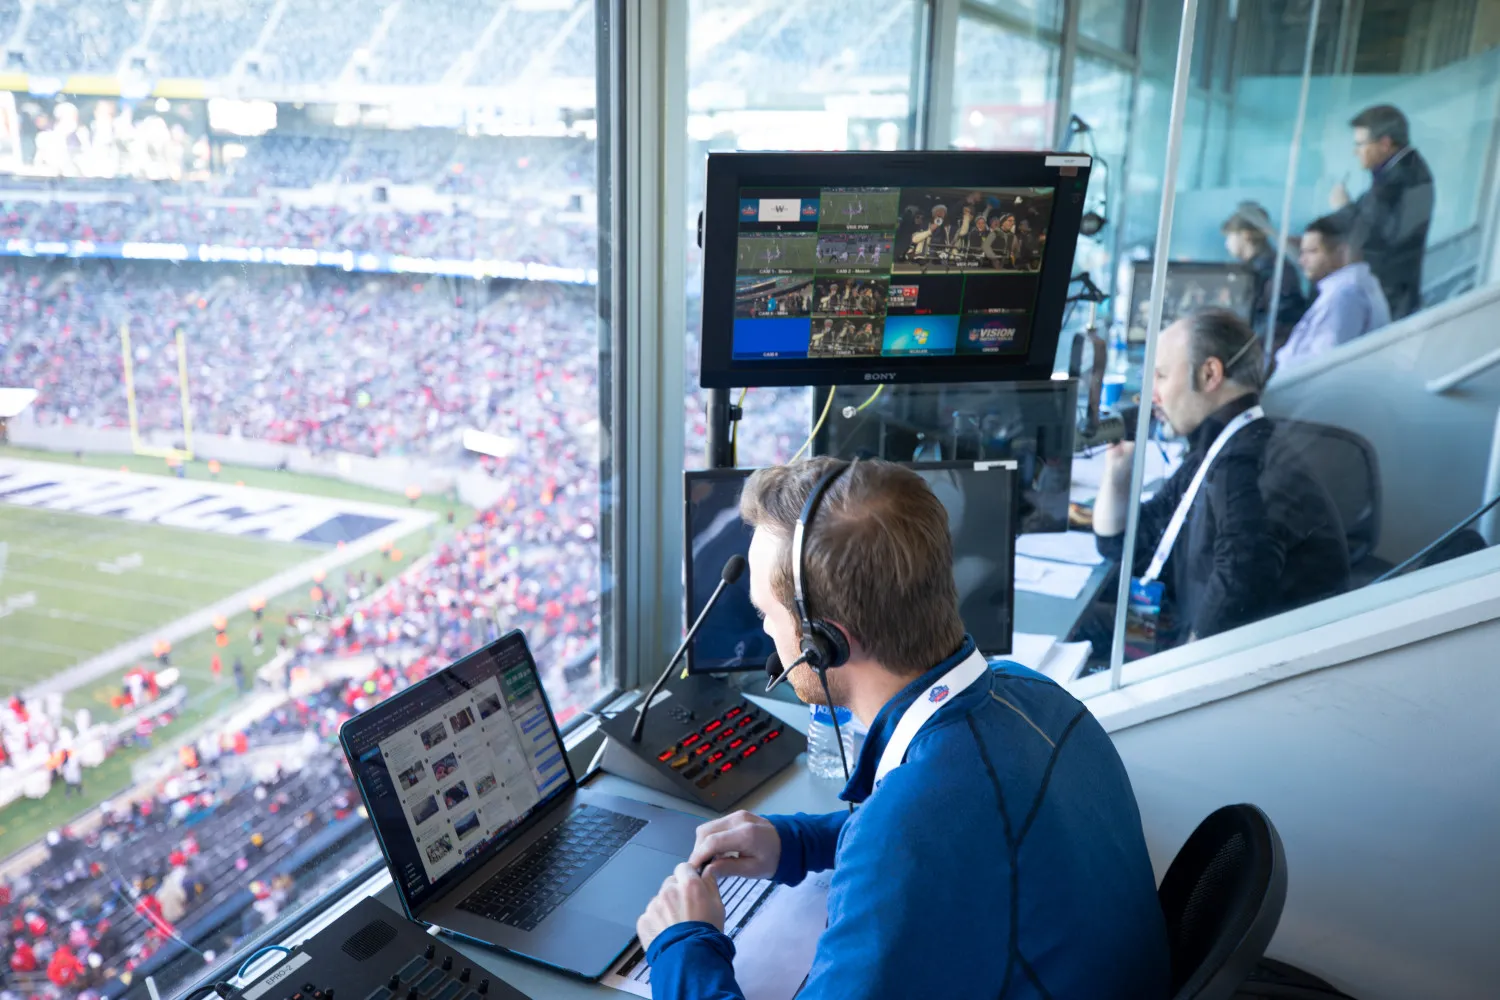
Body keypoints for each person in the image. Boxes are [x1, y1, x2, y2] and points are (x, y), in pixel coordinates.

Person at [636, 457, 1169, 998]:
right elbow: (959, 837)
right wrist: (794, 842)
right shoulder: (1033, 694)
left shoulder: (912, 827)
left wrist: (684, 942)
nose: (767, 632)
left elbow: (922, 836)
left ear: (825, 643)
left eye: (766, 614)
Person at [1092, 310, 1350, 649]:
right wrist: (1119, 471)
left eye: (1161, 376)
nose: (1151, 395)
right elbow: (1123, 547)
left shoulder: (1247, 472)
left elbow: (1225, 621)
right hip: (1187, 630)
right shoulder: (1221, 449)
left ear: (1210, 373)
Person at [1330, 104, 1433, 320]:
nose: (1355, 151)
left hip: (1387, 298)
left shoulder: (1397, 181)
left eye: (1360, 144)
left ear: (1385, 144)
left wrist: (1343, 208)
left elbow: (1372, 236)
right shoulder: (1403, 170)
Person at [1275, 215, 1391, 373]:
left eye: (1312, 252)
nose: (1302, 261)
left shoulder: (1346, 297)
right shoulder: (1347, 290)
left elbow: (1324, 361)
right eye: (1302, 253)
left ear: (1341, 252)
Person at [1220, 202, 1307, 346]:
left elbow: (1279, 319)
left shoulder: (1275, 271)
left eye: (1230, 236)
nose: (1227, 244)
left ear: (1246, 235)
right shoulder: (1256, 269)